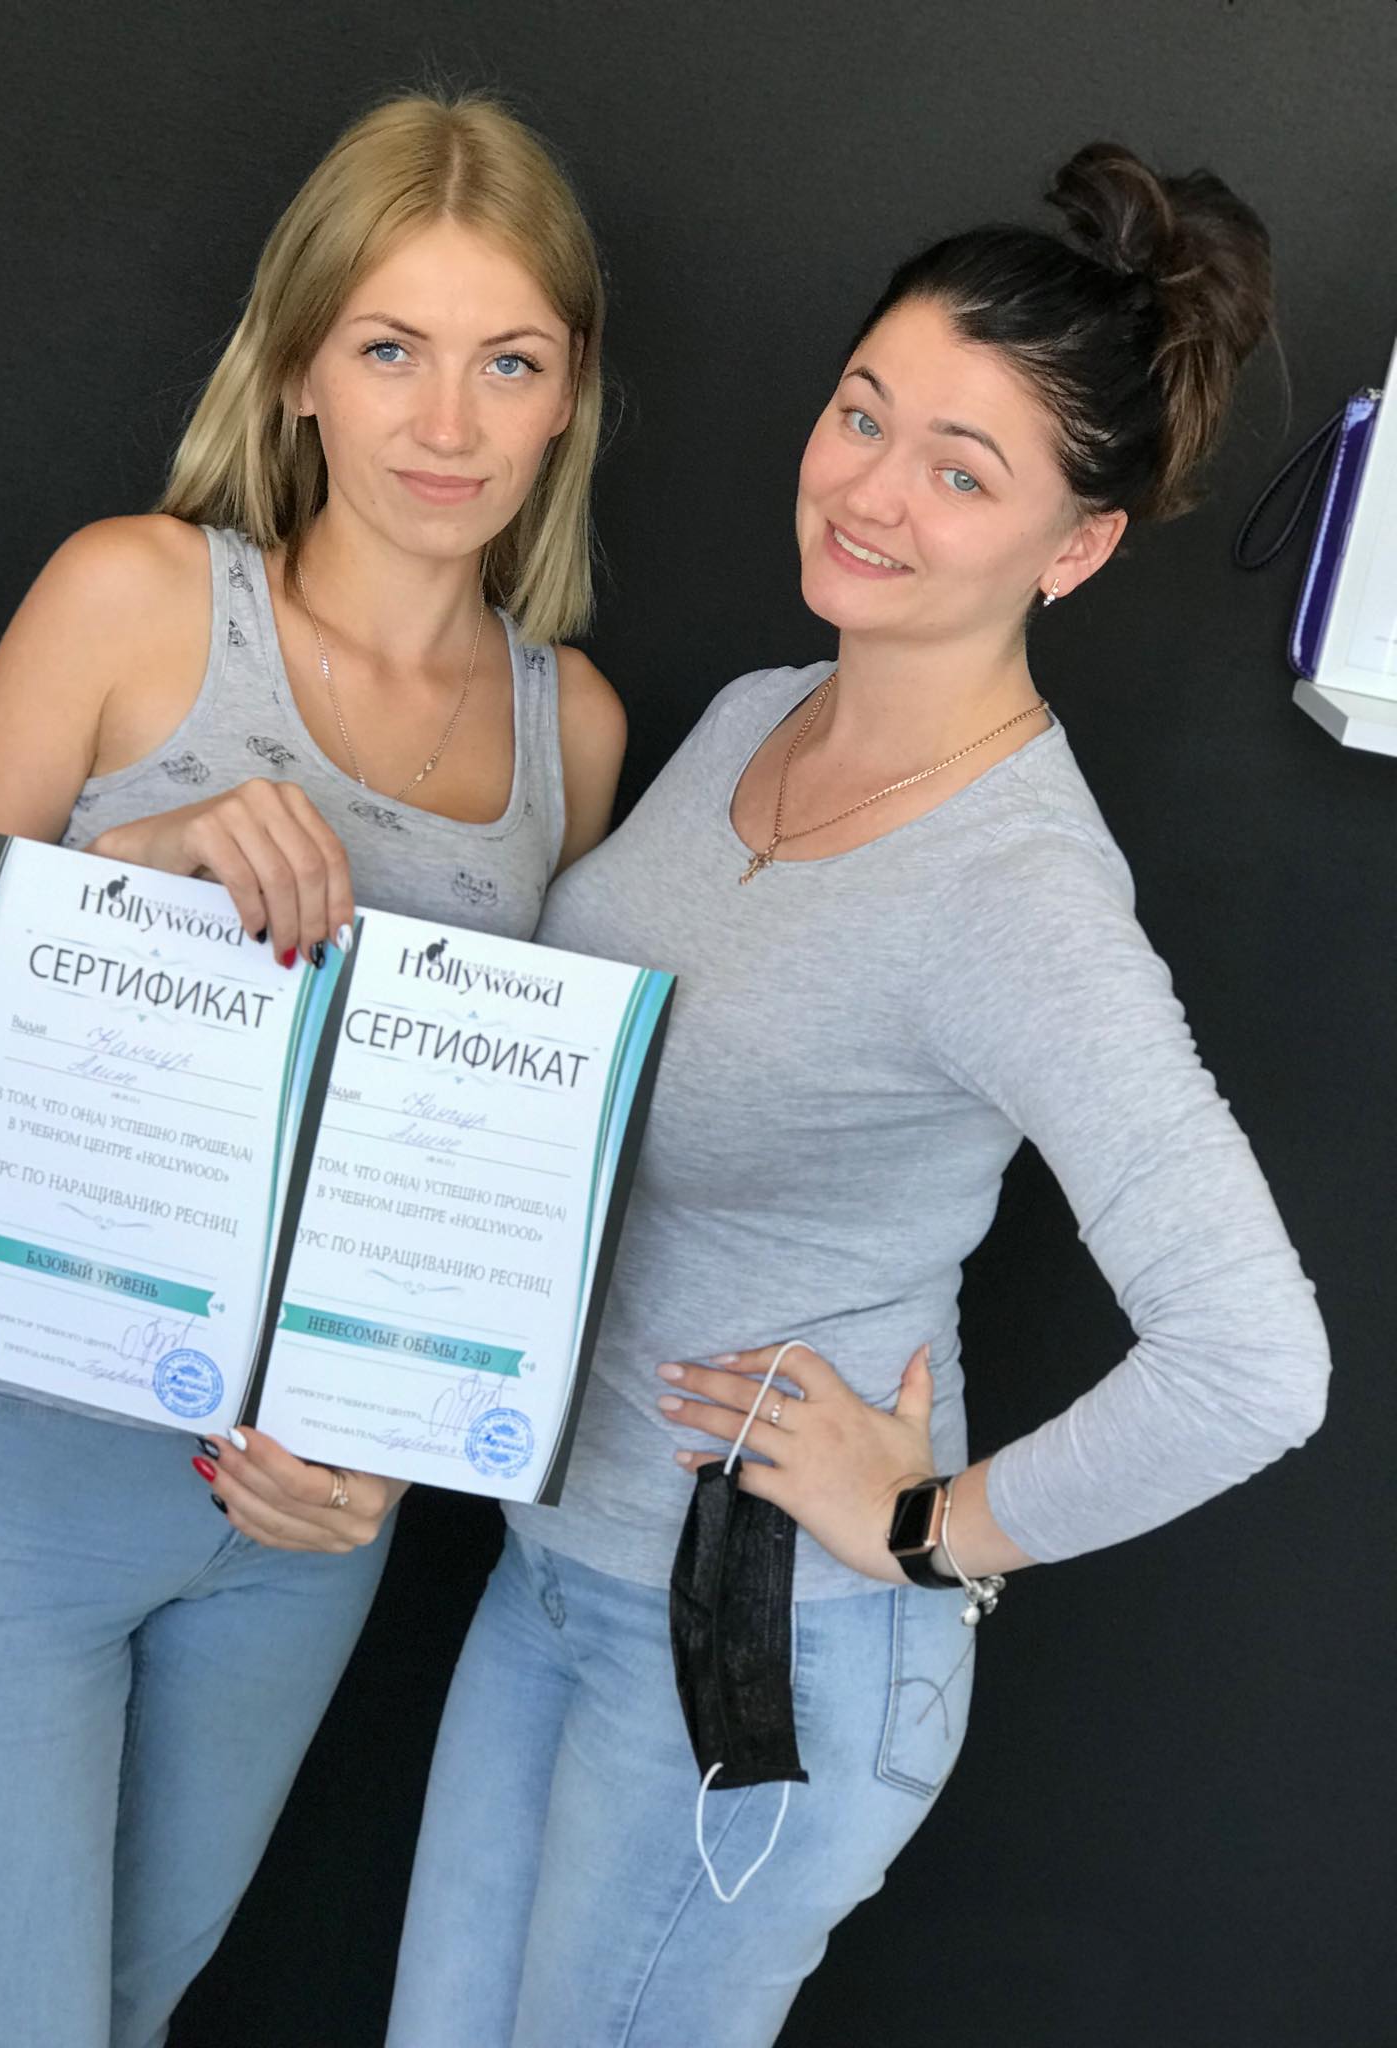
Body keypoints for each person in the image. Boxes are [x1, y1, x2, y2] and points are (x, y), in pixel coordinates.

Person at [374, 143, 1331, 2047]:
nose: (871, 488)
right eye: (862, 412)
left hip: (763, 1650)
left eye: (962, 472)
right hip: (554, 1574)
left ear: (1075, 548)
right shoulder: (758, 714)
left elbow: (1256, 1364)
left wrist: (927, 1529)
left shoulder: (1018, 900)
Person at [0, 90, 624, 2048]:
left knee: (127, 2016)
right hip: (25, 1476)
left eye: (506, 361)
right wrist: (117, 880)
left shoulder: (576, 734)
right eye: (389, 348)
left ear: (567, 398)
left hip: (300, 1534)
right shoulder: (133, 598)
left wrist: (391, 1459)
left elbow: (493, 1194)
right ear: (296, 369)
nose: (446, 422)